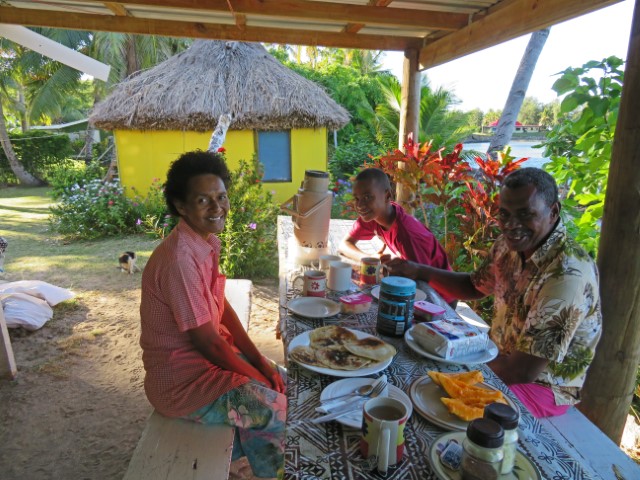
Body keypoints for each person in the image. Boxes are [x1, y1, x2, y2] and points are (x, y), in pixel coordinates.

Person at [384, 168, 602, 418]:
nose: (511, 225)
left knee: (444, 408)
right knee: (411, 364)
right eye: (504, 214)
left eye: (525, 214)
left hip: (543, 386)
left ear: (553, 212)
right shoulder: (510, 246)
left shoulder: (567, 275)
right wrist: (419, 270)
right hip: (500, 358)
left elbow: (522, 371)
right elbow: (474, 286)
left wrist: (450, 374)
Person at [140, 150, 286, 479]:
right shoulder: (180, 259)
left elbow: (222, 308)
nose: (217, 207)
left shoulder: (203, 242)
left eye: (221, 196)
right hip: (184, 384)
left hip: (208, 362)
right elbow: (208, 343)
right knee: (275, 409)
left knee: (285, 380)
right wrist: (256, 379)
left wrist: (260, 361)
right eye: (203, 200)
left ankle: (250, 454)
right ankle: (270, 472)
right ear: (181, 206)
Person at [338, 167, 455, 304]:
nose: (360, 205)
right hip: (417, 288)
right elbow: (344, 245)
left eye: (367, 197)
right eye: (357, 198)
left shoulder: (407, 235)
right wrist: (371, 259)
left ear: (388, 196)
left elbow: (421, 285)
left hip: (440, 297)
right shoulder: (374, 216)